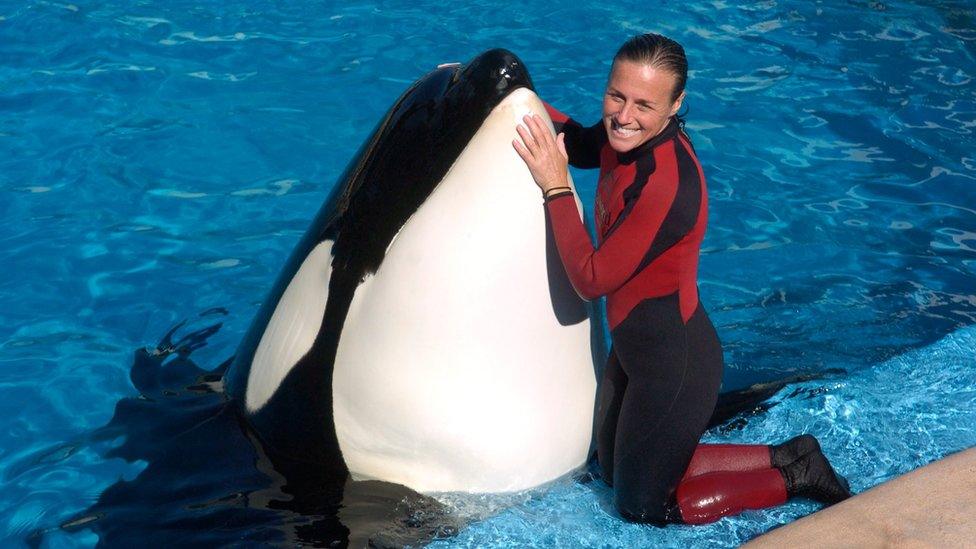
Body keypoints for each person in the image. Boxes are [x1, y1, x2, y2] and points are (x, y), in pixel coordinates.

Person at [512, 33, 852, 525]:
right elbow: (578, 144)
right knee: (612, 472)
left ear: (675, 105)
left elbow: (591, 279)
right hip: (634, 349)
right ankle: (788, 453)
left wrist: (555, 187)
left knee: (641, 506)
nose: (624, 116)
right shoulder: (618, 138)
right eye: (616, 96)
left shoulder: (666, 183)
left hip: (674, 362)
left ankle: (794, 476)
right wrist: (504, 92)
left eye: (644, 104)